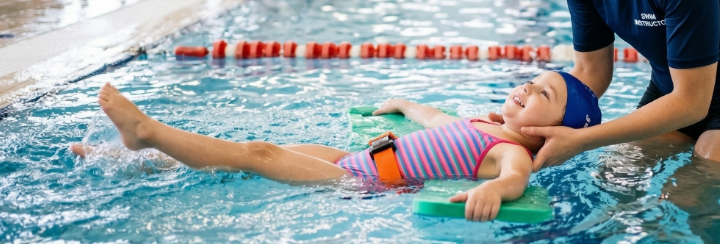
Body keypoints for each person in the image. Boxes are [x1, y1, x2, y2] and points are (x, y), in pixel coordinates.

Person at [70, 70, 602, 222]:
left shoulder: (514, 152)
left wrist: (497, 194)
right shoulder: (482, 123)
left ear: (553, 129)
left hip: (365, 182)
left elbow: (514, 179)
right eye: (532, 80)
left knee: (259, 154)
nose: (527, 88)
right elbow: (433, 118)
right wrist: (403, 104)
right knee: (251, 153)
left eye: (544, 95)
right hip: (357, 160)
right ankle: (126, 155)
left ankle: (147, 133)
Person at [512, 0, 720, 169]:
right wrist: (525, 131)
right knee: (615, 177)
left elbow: (693, 103)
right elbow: (591, 72)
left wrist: (581, 140)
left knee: (691, 193)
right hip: (671, 91)